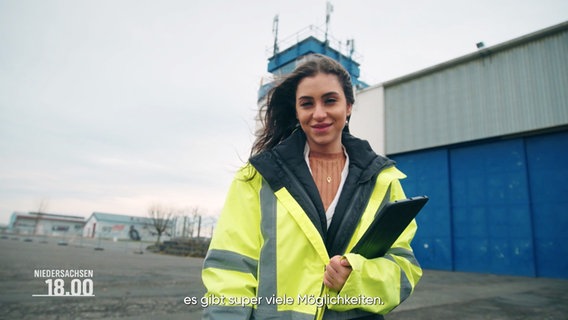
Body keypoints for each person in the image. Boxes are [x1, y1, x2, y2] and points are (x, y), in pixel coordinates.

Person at [201, 54, 422, 319]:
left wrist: (357, 278)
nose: (319, 113)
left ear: (349, 105)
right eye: (307, 104)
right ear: (297, 110)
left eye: (330, 100)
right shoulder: (257, 177)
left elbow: (403, 267)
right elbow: (230, 268)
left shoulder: (384, 180)